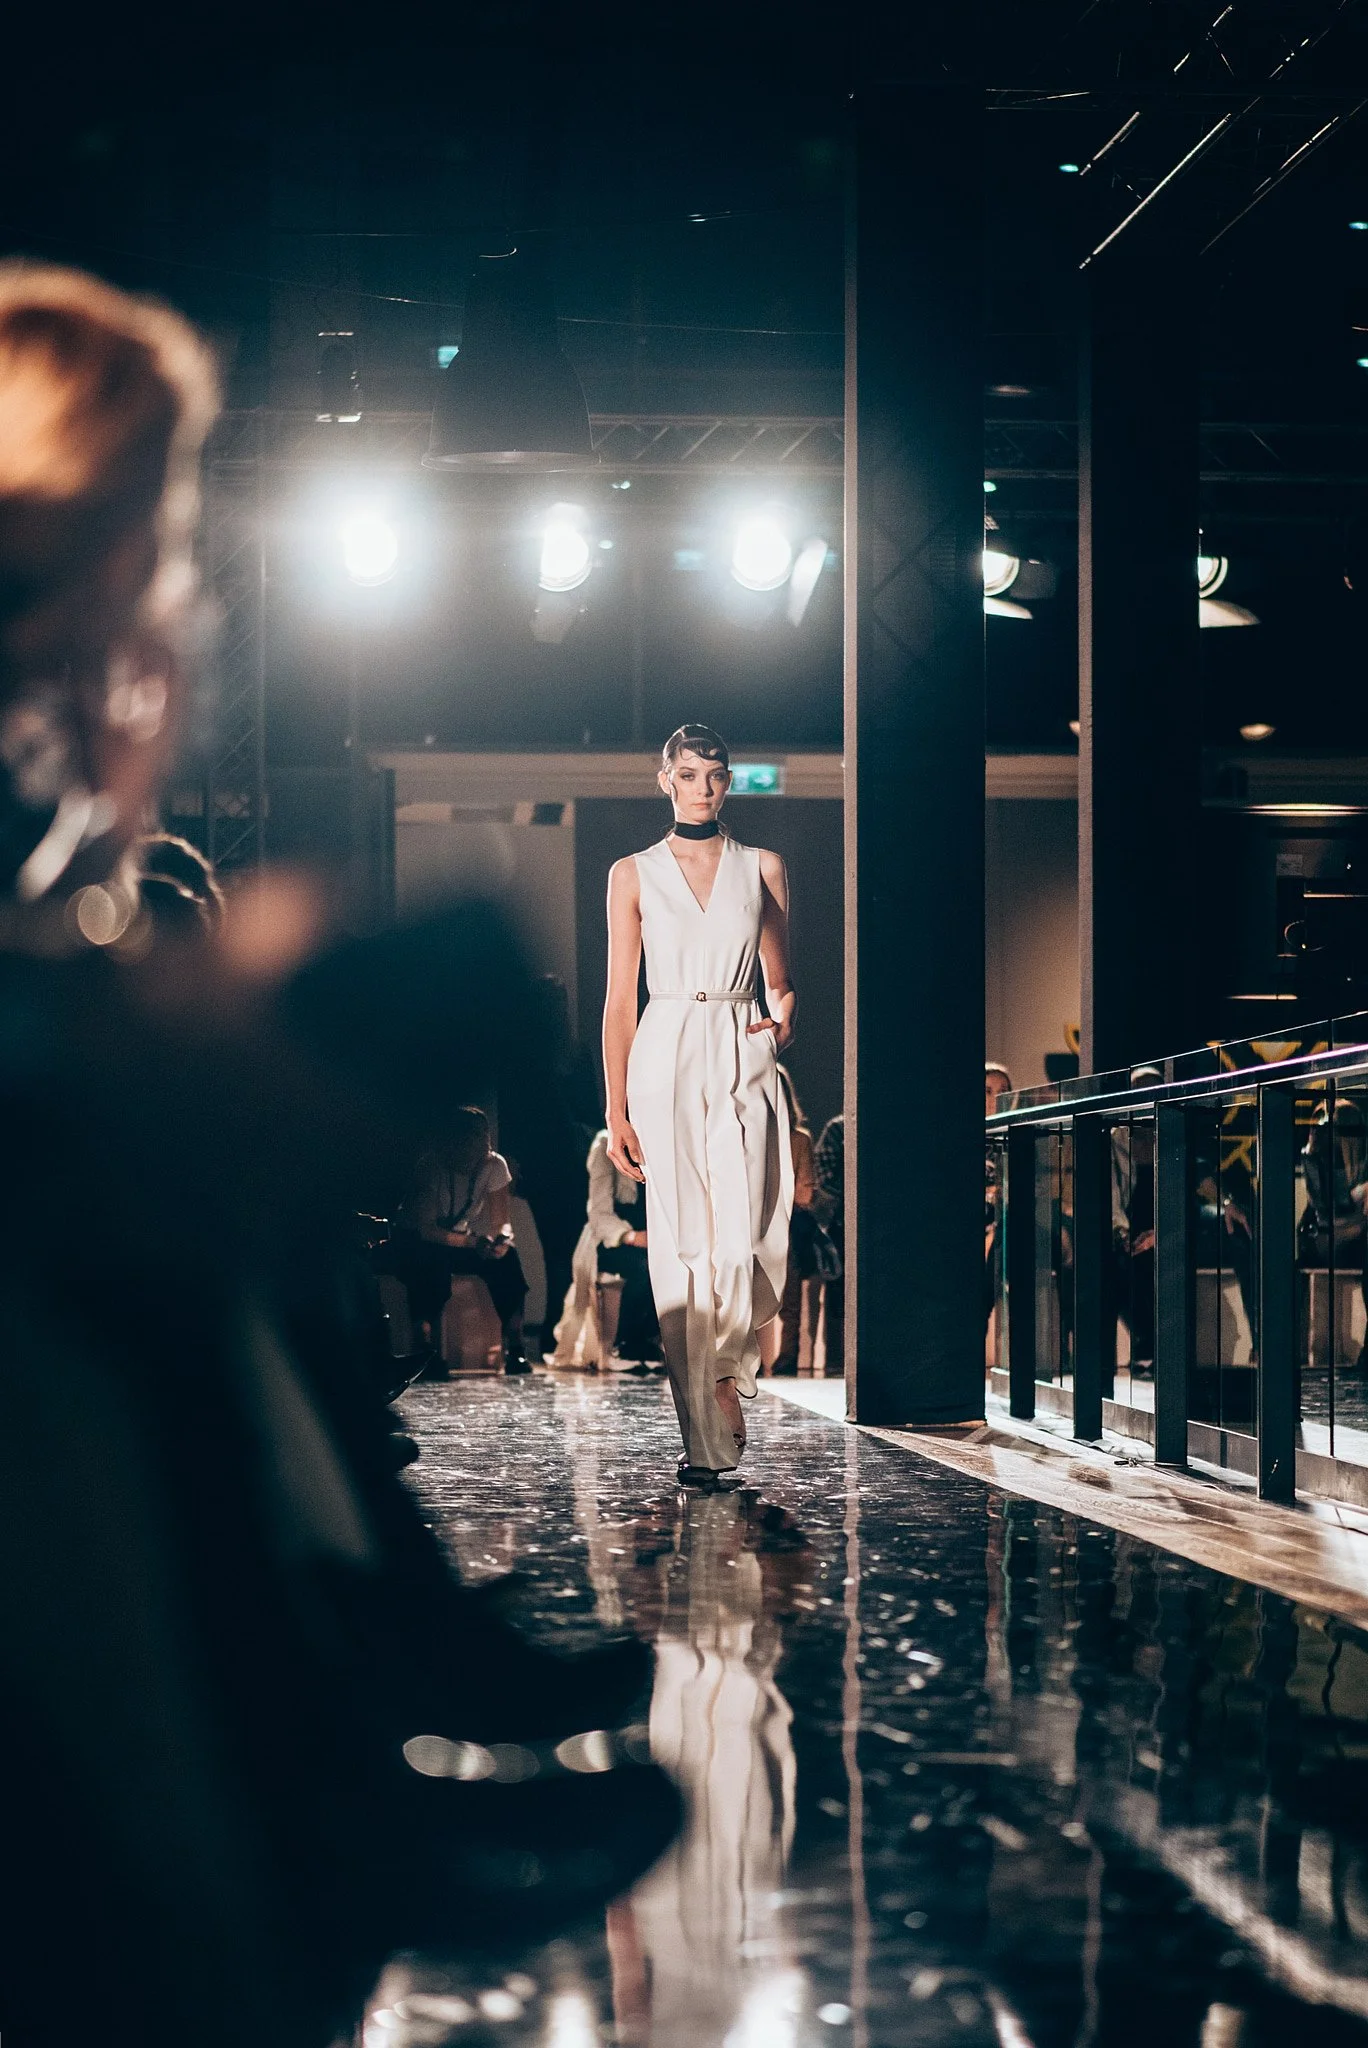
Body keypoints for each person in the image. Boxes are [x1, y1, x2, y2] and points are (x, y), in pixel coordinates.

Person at [603, 723, 796, 1481]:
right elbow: (621, 997)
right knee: (681, 1241)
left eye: (715, 775)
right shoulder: (632, 874)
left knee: (744, 1230)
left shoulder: (765, 868)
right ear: (666, 780)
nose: (703, 787)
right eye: (689, 774)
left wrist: (778, 1025)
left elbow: (782, 980)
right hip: (666, 1042)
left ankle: (726, 1359)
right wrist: (615, 1108)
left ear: (728, 781)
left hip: (739, 1045)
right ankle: (703, 1428)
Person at [396, 1106, 530, 1373]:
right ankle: (427, 1349)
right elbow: (426, 1230)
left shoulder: (493, 1165)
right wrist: (472, 1243)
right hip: (422, 1241)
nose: (479, 1143)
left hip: (461, 1238)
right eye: (471, 1136)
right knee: (430, 1265)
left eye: (483, 1135)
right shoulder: (432, 1166)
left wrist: (500, 1241)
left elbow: (500, 1220)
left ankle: (516, 1348)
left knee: (508, 1262)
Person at [552, 1128, 661, 1369]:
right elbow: (599, 1213)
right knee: (642, 1269)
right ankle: (625, 1342)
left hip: (654, 1235)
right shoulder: (606, 1143)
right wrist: (632, 1236)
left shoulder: (660, 1139)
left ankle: (657, 1339)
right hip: (611, 1239)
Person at [764, 1065, 821, 1375]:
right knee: (747, 1293)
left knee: (788, 1299)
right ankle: (756, 1361)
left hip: (784, 1225)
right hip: (759, 1222)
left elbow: (804, 1196)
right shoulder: (741, 1131)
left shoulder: (798, 1139)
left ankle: (785, 1361)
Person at [812, 1111, 844, 1375]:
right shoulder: (839, 1128)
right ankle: (835, 1362)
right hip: (843, 1224)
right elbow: (823, 1179)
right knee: (837, 1294)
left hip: (886, 1226)